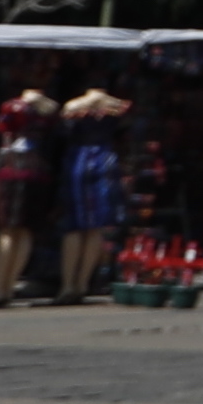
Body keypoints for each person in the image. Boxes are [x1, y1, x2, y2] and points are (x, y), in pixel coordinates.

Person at [60, 98, 130, 304]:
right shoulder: (115, 108)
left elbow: (64, 117)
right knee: (95, 226)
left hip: (79, 162)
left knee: (75, 225)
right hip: (105, 161)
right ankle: (81, 283)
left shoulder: (75, 107)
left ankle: (69, 285)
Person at [0, 91, 47, 306]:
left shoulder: (11, 107)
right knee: (24, 231)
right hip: (36, 168)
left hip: (10, 168)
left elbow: (2, 127)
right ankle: (9, 287)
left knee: (6, 230)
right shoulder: (46, 111)